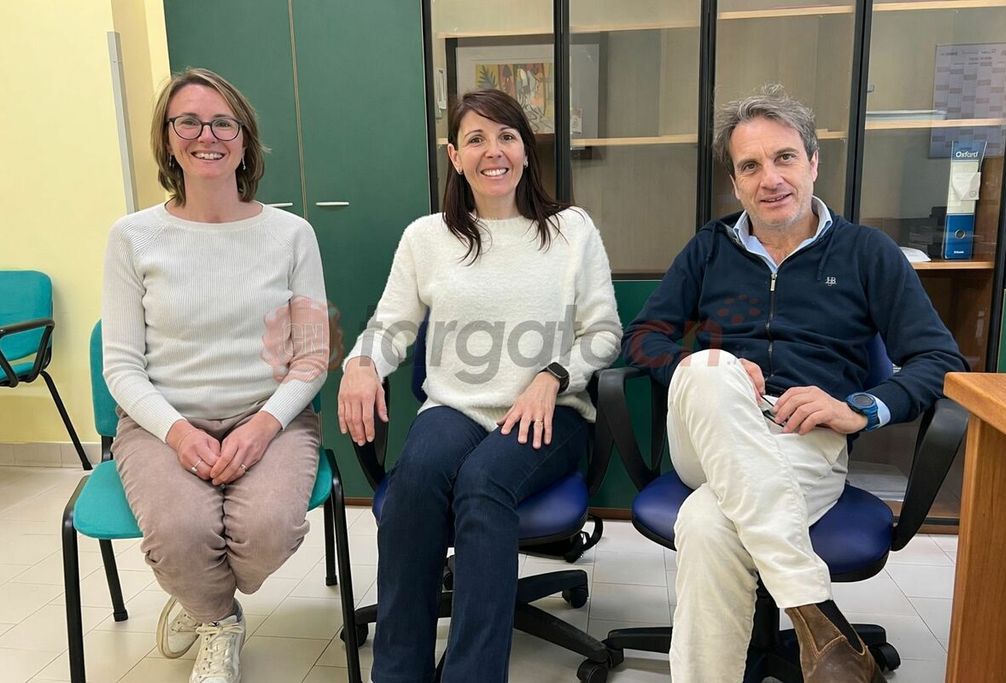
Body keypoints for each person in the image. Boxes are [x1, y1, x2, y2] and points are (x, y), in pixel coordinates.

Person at [622, 84, 967, 683]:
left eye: (784, 157)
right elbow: (644, 335)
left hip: (804, 440)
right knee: (709, 369)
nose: (770, 179)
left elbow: (938, 358)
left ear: (813, 162)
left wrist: (861, 408)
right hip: (708, 431)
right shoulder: (709, 248)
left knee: (706, 523)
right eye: (750, 166)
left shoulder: (866, 253)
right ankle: (812, 607)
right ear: (736, 183)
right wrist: (703, 368)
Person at [337, 88, 621, 682]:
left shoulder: (571, 230)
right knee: (413, 485)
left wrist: (553, 376)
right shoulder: (426, 238)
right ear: (455, 156)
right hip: (456, 409)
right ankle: (399, 674)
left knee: (484, 482)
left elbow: (604, 333)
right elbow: (390, 326)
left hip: (551, 411)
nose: (494, 152)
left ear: (526, 150)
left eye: (507, 137)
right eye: (476, 139)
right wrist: (361, 364)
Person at [102, 68, 329, 683]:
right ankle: (218, 619)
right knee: (180, 532)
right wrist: (177, 433)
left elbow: (312, 358)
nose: (207, 136)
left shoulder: (291, 235)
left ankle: (199, 596)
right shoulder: (132, 237)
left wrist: (264, 425)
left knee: (267, 530)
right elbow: (121, 365)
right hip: (163, 419)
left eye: (223, 123)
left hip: (269, 414)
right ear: (167, 139)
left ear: (245, 139)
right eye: (189, 122)